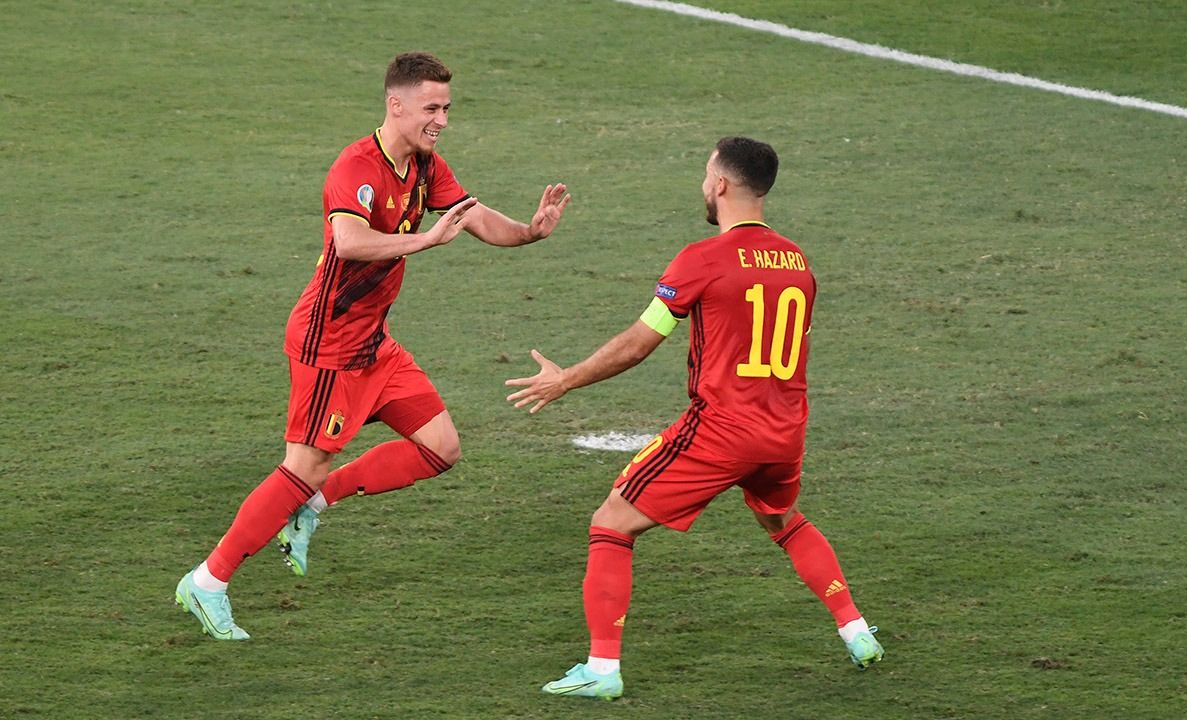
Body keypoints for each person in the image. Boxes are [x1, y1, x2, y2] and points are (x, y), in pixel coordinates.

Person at [175, 51, 571, 640]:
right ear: (397, 104)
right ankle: (207, 581)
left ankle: (313, 507)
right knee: (302, 466)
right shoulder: (357, 167)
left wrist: (529, 233)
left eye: (446, 109)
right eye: (432, 108)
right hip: (329, 341)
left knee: (440, 447)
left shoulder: (426, 164)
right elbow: (349, 240)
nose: (442, 120)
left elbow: (472, 214)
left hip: (373, 342)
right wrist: (424, 240)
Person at [505, 136, 883, 699]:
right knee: (783, 521)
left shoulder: (702, 259)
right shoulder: (798, 261)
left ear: (722, 184)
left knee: (612, 523)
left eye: (707, 174)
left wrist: (567, 379)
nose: (704, 184)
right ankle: (857, 633)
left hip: (724, 428)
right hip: (785, 430)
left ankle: (602, 671)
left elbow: (638, 343)